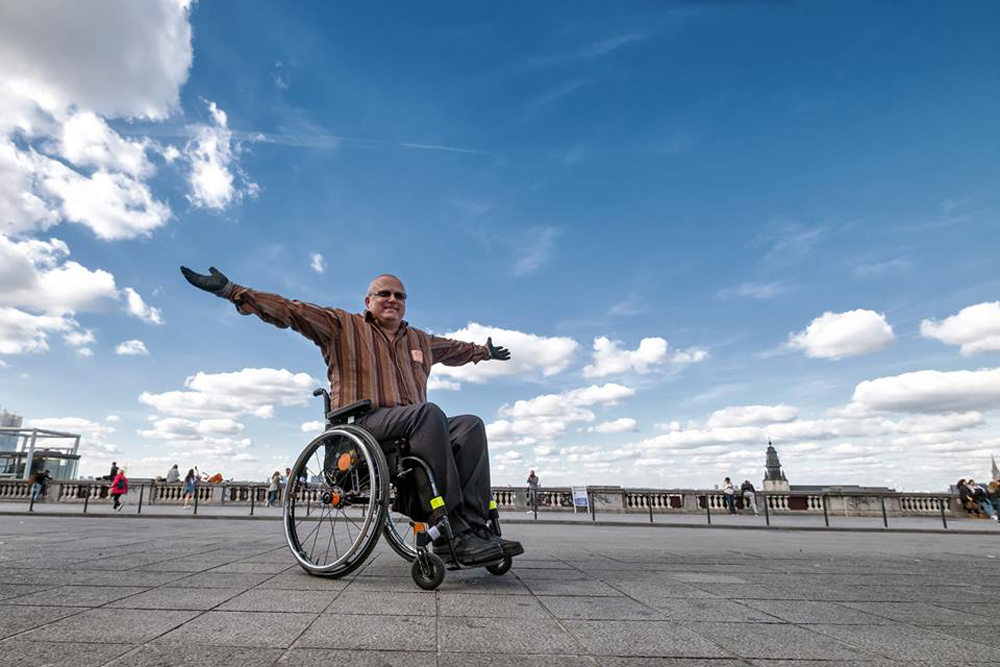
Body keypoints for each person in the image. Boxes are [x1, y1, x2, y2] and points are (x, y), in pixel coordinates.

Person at [181, 266, 523, 565]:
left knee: (470, 425)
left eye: (399, 295)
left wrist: (483, 352)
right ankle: (453, 531)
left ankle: (477, 528)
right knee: (428, 413)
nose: (393, 299)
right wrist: (233, 291)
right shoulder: (342, 325)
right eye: (384, 293)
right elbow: (292, 311)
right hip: (363, 425)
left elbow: (454, 350)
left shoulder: (418, 339)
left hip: (416, 425)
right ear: (368, 301)